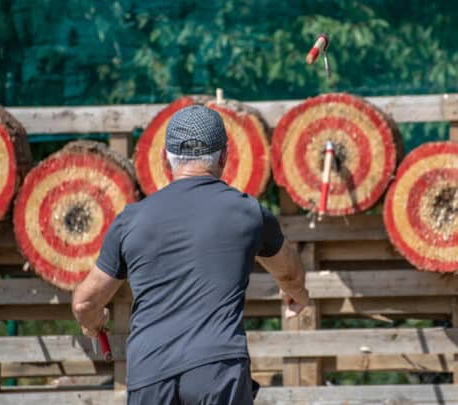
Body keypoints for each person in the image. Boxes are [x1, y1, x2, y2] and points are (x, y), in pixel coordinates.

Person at [72, 105, 310, 405]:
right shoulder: (248, 213)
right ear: (224, 156)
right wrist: (297, 294)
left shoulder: (131, 220)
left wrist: (93, 322)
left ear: (164, 159)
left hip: (150, 373)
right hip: (217, 370)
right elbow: (289, 273)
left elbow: (85, 302)